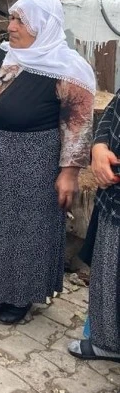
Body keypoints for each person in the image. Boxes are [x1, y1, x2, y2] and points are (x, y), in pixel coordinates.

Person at [0, 0, 95, 325]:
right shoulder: (2, 54)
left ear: (43, 25)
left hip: (31, 162)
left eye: (19, 20)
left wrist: (68, 173)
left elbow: (77, 128)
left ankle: (18, 296)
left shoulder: (69, 71)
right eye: (11, 18)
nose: (10, 26)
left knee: (23, 229)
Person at [66, 91, 120, 363]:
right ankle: (108, 343)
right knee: (109, 272)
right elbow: (111, 113)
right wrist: (99, 149)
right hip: (115, 198)